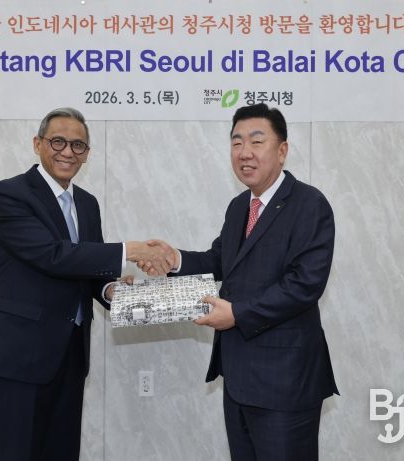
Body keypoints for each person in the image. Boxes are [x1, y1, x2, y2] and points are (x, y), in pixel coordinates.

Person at [0, 107, 168, 461]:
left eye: (78, 145)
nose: (68, 152)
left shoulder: (87, 204)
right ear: (38, 144)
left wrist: (113, 291)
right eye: (57, 141)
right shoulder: (7, 194)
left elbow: (90, 273)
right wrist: (131, 250)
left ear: (87, 154)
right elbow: (52, 255)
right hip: (19, 354)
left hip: (70, 355)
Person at [144, 103, 338, 460]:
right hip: (238, 378)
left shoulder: (309, 204)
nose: (244, 152)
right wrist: (175, 259)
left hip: (285, 383)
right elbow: (220, 260)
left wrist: (237, 314)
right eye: (236, 142)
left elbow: (304, 284)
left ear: (282, 150)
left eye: (256, 141)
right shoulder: (239, 207)